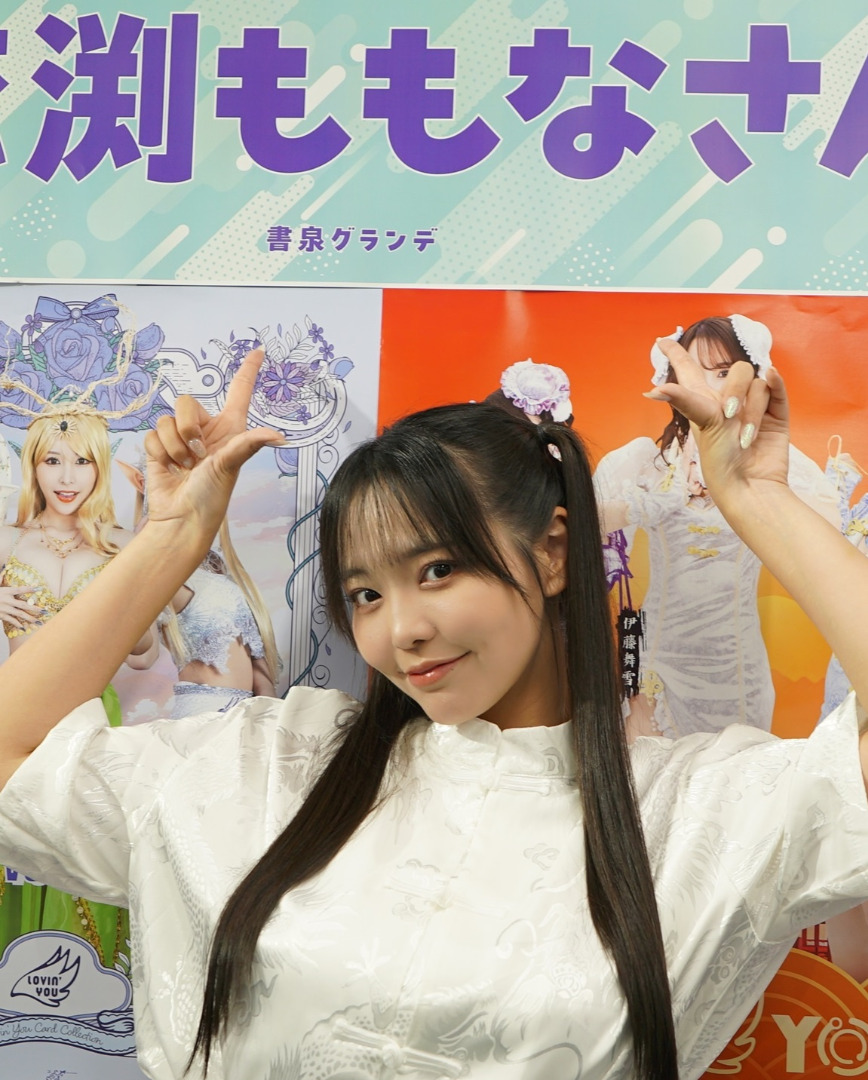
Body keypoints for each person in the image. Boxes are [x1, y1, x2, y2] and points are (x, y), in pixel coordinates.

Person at [0, 347, 866, 1080]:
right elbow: (13, 755)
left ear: (552, 552)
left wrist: (757, 498)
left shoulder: (697, 812)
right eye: (366, 593)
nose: (402, 630)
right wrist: (174, 535)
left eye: (439, 570)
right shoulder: (264, 767)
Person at [593, 315, 839, 739]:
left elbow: (830, 543)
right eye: (694, 371)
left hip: (738, 666)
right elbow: (586, 537)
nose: (708, 385)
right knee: (651, 769)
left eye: (723, 372)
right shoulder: (647, 462)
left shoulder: (776, 462)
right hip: (658, 659)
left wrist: (756, 489)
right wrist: (646, 506)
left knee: (734, 770)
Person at [0, 405, 157, 966]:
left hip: (88, 719)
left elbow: (145, 653)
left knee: (81, 843)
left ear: (100, 467)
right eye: (52, 461)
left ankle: (86, 986)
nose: (67, 478)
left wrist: (123, 612)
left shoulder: (120, 544)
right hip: (15, 717)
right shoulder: (8, 540)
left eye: (83, 462)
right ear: (33, 467)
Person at [120, 461, 280, 716]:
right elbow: (140, 657)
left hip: (245, 716)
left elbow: (259, 667)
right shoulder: (159, 574)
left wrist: (269, 719)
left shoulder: (217, 567)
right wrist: (138, 558)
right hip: (203, 717)